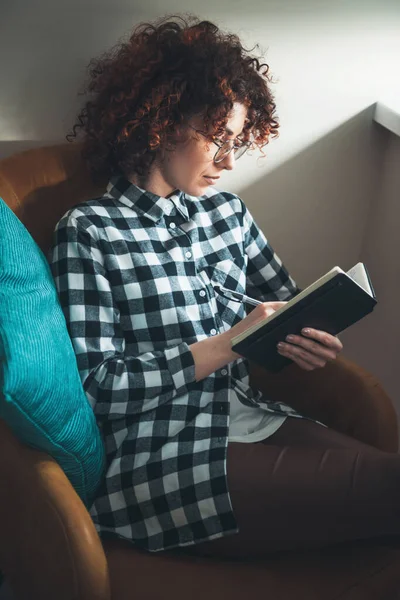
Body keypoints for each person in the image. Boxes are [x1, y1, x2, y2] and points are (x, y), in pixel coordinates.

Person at [49, 15, 400, 560]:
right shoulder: (89, 230)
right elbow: (98, 388)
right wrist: (230, 342)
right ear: (160, 123)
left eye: (236, 141)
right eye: (217, 139)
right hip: (161, 453)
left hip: (248, 414)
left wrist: (310, 337)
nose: (230, 161)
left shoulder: (227, 213)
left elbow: (287, 303)